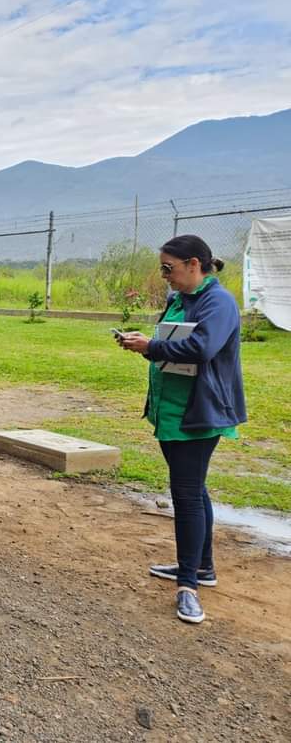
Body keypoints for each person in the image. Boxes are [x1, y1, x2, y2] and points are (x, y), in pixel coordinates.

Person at [117, 235, 246, 624]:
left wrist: (150, 348)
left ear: (194, 264)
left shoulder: (218, 302)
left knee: (187, 495)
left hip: (199, 413)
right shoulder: (180, 299)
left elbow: (202, 348)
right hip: (172, 409)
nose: (165, 277)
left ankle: (188, 585)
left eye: (168, 269)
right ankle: (202, 566)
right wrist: (143, 343)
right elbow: (170, 339)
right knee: (194, 488)